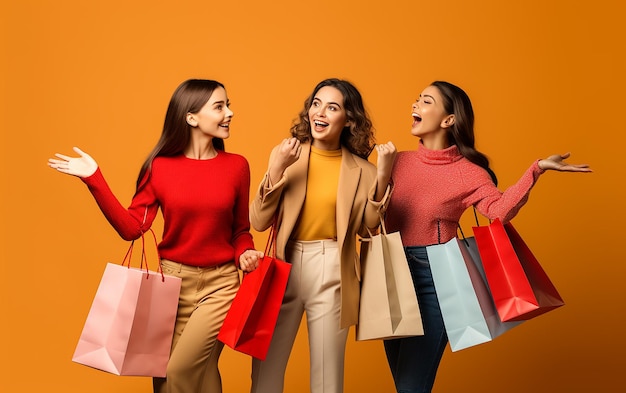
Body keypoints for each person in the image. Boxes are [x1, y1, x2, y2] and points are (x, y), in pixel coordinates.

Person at [374, 80, 592, 393]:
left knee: (411, 386)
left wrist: (536, 169)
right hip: (391, 274)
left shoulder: (470, 172)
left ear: (448, 119)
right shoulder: (396, 161)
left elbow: (499, 211)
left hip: (434, 278)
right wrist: (381, 173)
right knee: (402, 382)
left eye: (425, 101)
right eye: (417, 99)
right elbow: (371, 217)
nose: (415, 105)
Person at [47, 79, 264, 393]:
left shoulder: (237, 166)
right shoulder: (159, 168)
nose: (229, 112)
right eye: (219, 106)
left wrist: (245, 252)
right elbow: (132, 228)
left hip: (221, 286)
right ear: (191, 117)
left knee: (180, 371)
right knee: (171, 379)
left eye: (227, 104)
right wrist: (94, 178)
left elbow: (240, 231)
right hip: (172, 285)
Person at [249, 78, 389, 393]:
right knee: (264, 373)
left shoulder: (363, 171)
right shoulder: (287, 155)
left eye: (332, 106)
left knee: (328, 378)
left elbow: (369, 227)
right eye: (316, 103)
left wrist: (382, 177)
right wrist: (276, 169)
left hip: (333, 269)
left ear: (349, 119)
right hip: (285, 266)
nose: (319, 112)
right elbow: (258, 221)